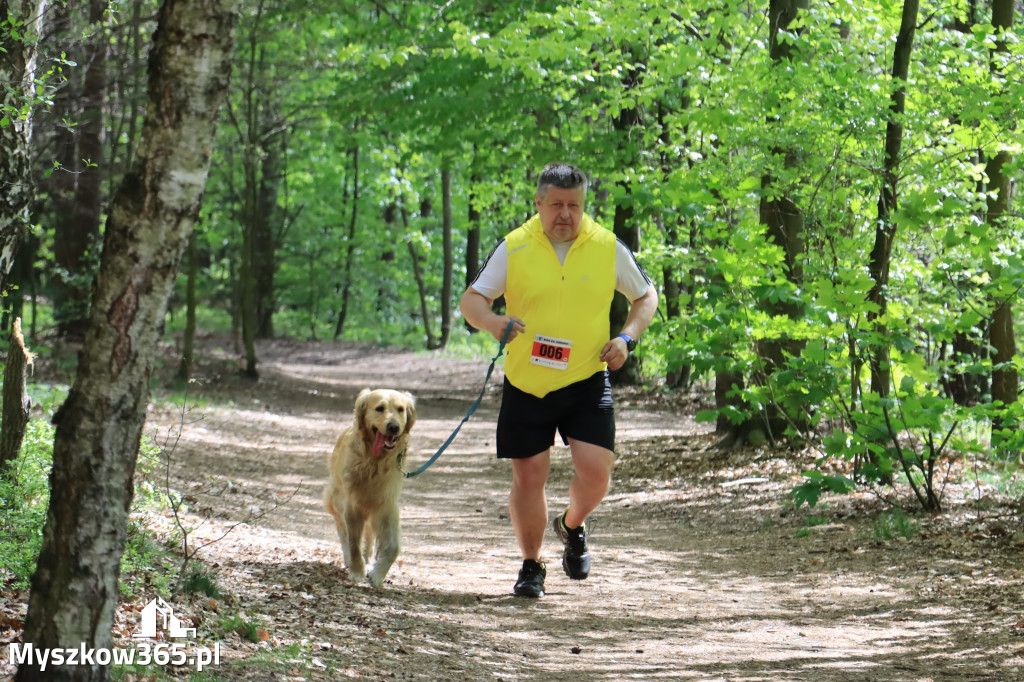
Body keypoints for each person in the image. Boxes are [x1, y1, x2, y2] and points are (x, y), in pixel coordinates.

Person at [459, 162, 659, 597]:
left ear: (584, 204)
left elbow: (646, 295)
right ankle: (531, 566)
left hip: (585, 379)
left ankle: (572, 525)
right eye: (555, 205)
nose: (565, 214)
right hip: (527, 382)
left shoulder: (606, 246)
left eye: (574, 205)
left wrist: (626, 337)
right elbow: (472, 299)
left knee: (597, 473)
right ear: (538, 204)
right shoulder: (515, 246)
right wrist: (493, 323)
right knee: (529, 478)